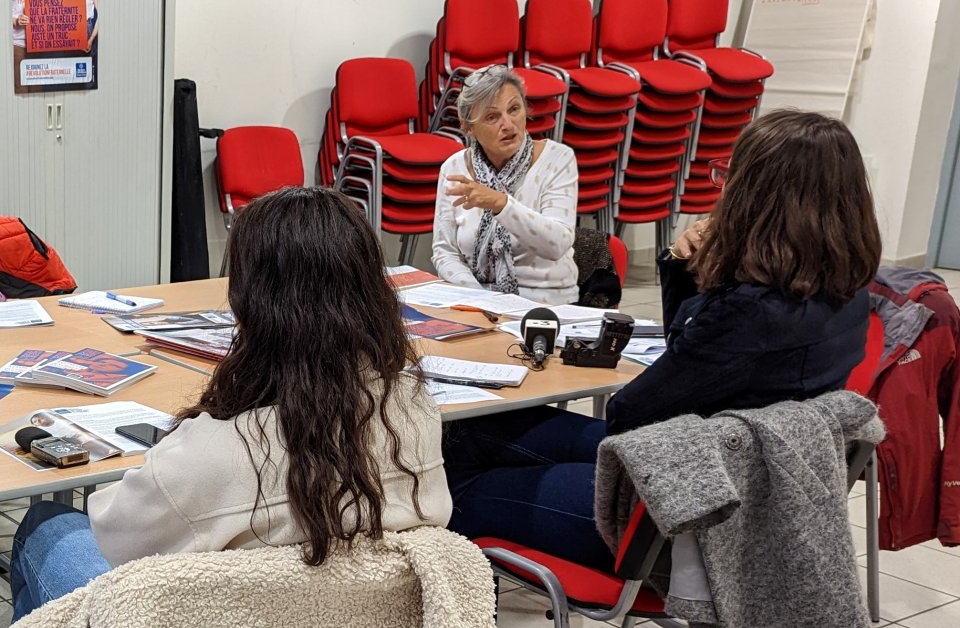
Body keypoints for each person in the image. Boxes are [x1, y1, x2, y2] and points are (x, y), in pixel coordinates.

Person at [442, 109, 883, 570]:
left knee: (450, 488)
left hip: (677, 516)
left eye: (731, 177)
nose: (723, 189)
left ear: (759, 196)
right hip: (724, 480)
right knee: (474, 431)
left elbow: (628, 414)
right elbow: (684, 356)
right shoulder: (846, 293)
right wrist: (683, 265)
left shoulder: (749, 313)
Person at [10, 187, 453, 621]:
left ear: (248, 305)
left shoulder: (212, 453)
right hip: (352, 611)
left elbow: (118, 541)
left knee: (46, 525)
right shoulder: (413, 408)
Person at [432, 64, 579, 304]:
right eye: (492, 117)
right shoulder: (453, 168)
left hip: (547, 304)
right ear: (468, 126)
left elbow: (557, 244)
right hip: (480, 304)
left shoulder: (558, 159)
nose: (508, 125)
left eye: (514, 109)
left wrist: (501, 204)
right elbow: (444, 253)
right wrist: (482, 300)